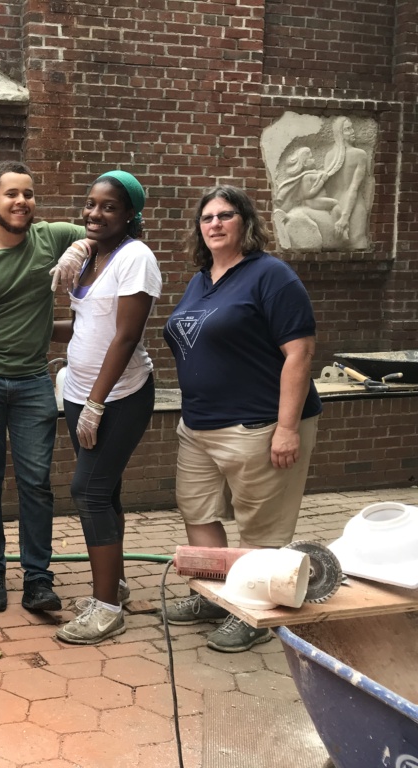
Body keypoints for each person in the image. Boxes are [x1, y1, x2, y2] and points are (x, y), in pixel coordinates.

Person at [162, 185, 321, 653]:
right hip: (198, 428)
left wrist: (287, 427)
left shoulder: (271, 276)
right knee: (198, 511)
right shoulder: (201, 280)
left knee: (262, 528)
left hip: (258, 425)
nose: (214, 224)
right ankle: (217, 597)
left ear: (245, 223)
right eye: (206, 217)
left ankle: (257, 613)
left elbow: (301, 352)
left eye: (225, 215)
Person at [0, 161, 86, 614]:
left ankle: (38, 580)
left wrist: (79, 249)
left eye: (28, 193)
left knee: (36, 482)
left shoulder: (50, 237)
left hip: (32, 384)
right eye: (11, 194)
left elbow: (107, 231)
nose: (21, 201)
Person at [51, 171, 162, 645]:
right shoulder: (93, 254)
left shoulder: (136, 258)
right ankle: (112, 585)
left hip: (119, 397)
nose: (94, 214)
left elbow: (125, 335)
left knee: (89, 491)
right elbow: (83, 327)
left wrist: (96, 403)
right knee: (106, 491)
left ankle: (107, 609)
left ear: (130, 214)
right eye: (91, 204)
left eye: (109, 207)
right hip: (78, 392)